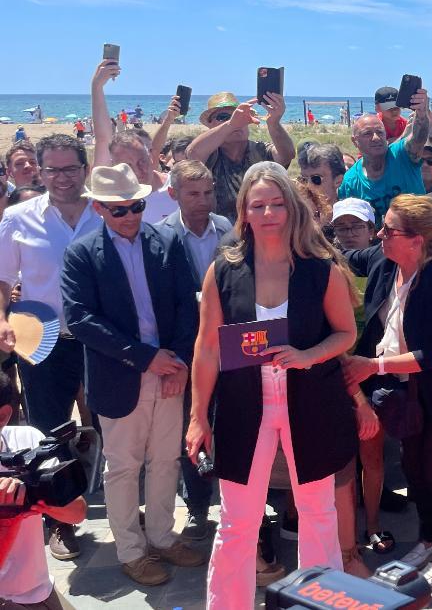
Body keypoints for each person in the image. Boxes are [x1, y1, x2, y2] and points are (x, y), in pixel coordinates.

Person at [185, 162, 359, 608]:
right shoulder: (223, 270)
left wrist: (306, 356)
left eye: (277, 204)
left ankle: (321, 602)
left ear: (292, 208)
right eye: (257, 205)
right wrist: (197, 417)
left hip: (310, 401)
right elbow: (206, 348)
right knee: (237, 520)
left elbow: (345, 334)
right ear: (243, 210)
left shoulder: (320, 269)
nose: (268, 213)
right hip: (245, 405)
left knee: (318, 514)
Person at [60, 163, 206, 585]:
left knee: (166, 460)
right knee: (124, 467)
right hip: (121, 375)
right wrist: (146, 358)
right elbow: (82, 319)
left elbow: (187, 303)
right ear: (99, 208)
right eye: (119, 209)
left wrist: (176, 360)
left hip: (169, 371)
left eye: (136, 205)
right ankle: (131, 551)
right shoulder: (81, 253)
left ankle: (162, 537)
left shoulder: (168, 240)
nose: (130, 215)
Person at [340, 195, 432, 590]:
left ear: (416, 240)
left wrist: (373, 366)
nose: (380, 235)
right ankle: (429, 539)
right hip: (405, 391)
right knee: (415, 471)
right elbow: (343, 256)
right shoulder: (385, 264)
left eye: (389, 229)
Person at [0, 135, 101, 560]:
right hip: (42, 341)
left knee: (111, 425)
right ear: (39, 172)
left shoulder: (107, 210)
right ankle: (59, 521)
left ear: (84, 168)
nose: (62, 178)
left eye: (71, 168)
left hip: (101, 339)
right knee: (48, 433)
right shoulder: (18, 218)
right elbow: (3, 282)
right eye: (53, 170)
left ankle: (124, 512)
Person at [159, 161, 232, 538]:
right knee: (194, 424)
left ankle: (245, 500)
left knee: (233, 422)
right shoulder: (158, 236)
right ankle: (198, 507)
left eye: (207, 193)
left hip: (230, 346)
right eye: (192, 193)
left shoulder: (229, 231)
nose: (202, 201)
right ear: (173, 194)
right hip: (186, 348)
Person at [0, 372, 88, 610]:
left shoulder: (27, 440)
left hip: (38, 590)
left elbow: (78, 512)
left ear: (4, 416)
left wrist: (36, 498)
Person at [185, 92, 296, 222]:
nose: (237, 121)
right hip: (221, 236)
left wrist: (274, 122)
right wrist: (231, 124)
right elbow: (192, 153)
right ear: (210, 126)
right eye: (223, 117)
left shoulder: (259, 150)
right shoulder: (209, 155)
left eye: (240, 116)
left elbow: (287, 154)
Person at [340, 103, 431, 223]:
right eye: (367, 133)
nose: (376, 138)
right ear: (355, 141)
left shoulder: (401, 155)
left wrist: (421, 113)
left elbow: (418, 138)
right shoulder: (350, 181)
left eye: (380, 132)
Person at [105, 131, 177, 223]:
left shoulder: (178, 187)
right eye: (128, 166)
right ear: (114, 167)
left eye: (142, 161)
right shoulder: (112, 202)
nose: (138, 171)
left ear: (150, 156)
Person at [297, 143, 346, 210]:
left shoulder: (349, 217)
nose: (308, 186)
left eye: (316, 179)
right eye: (303, 180)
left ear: (338, 181)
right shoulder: (295, 217)